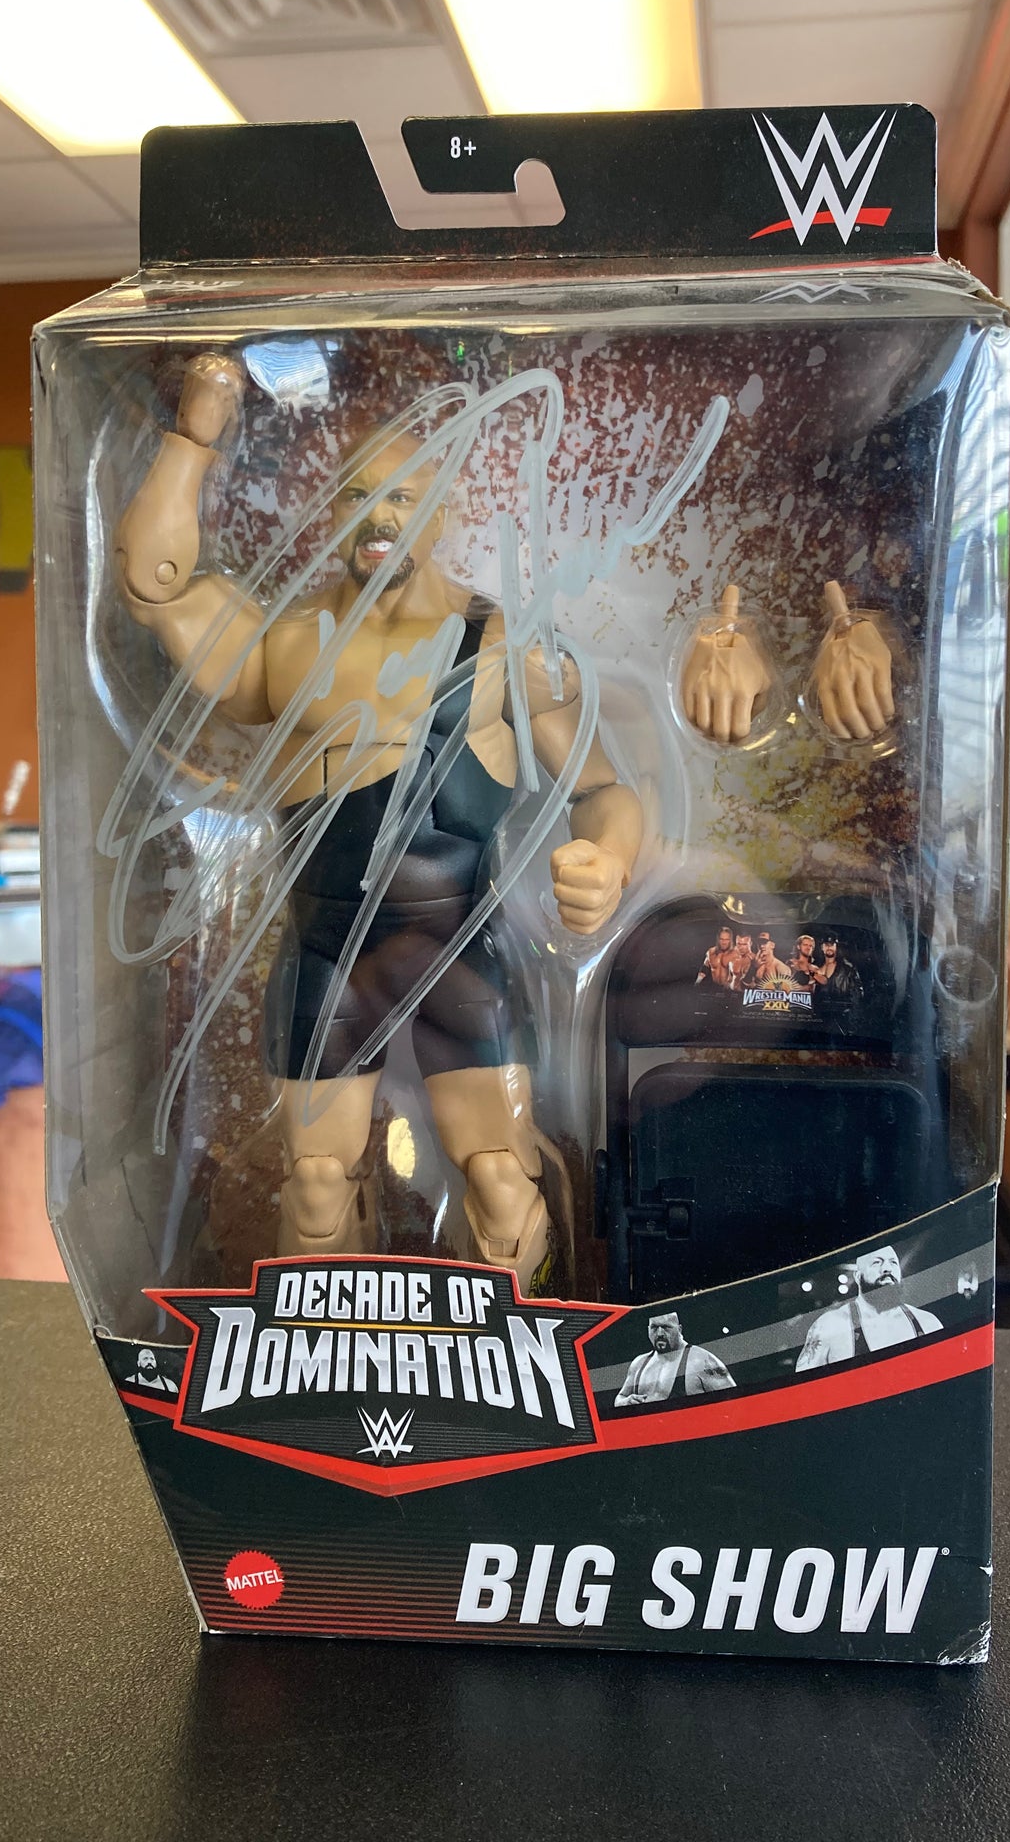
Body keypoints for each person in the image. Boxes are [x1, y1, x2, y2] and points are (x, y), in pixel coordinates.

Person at [115, 358, 643, 1286]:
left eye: (404, 494)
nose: (380, 514)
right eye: (358, 495)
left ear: (443, 512)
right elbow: (155, 586)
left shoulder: (504, 647)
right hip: (326, 951)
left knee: (504, 1184)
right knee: (316, 1188)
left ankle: (517, 1349)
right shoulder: (283, 648)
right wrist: (195, 435)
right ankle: (329, 1347)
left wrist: (607, 859)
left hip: (458, 947)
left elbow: (604, 789)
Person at [795, 1247, 941, 1370]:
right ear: (858, 1276)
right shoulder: (830, 1326)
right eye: (877, 1262)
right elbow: (804, 1388)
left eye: (893, 1262)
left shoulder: (927, 1322)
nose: (887, 1269)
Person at [614, 1310, 735, 1405]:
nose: (660, 1333)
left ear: (679, 1329)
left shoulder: (702, 1361)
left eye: (666, 1327)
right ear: (648, 1330)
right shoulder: (639, 1363)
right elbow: (620, 1398)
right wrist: (625, 1402)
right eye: (654, 1327)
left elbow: (733, 1402)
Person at [812, 934, 863, 1017]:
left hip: (841, 1015)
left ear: (836, 947)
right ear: (822, 947)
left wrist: (851, 1015)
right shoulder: (814, 966)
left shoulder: (847, 968)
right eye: (826, 945)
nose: (829, 947)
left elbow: (857, 993)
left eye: (832, 944)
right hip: (819, 1015)